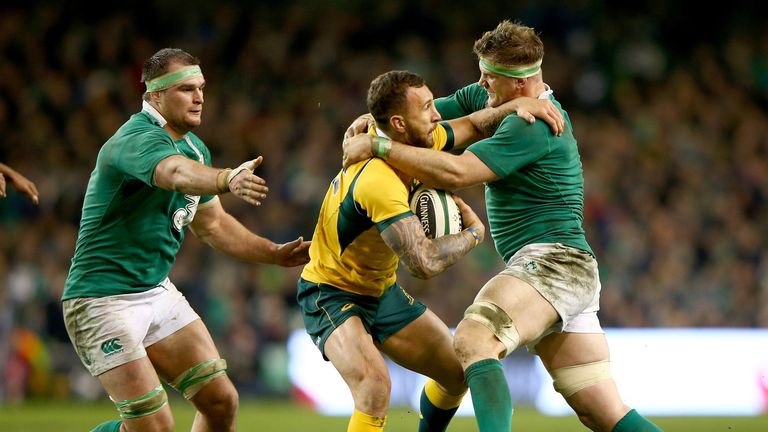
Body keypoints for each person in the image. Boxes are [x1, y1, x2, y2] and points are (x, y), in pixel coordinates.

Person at [343, 21, 663, 432]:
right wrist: (376, 119)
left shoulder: (535, 126)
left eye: (489, 77)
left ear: (521, 82)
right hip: (565, 271)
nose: (479, 83)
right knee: (602, 412)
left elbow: (457, 173)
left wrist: (379, 144)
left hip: (553, 264)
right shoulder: (495, 98)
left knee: (474, 338)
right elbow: (426, 117)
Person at [62, 48, 310, 432]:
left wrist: (274, 253)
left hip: (154, 291)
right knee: (155, 427)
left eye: (201, 88)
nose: (199, 97)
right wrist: (226, 178)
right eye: (185, 89)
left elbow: (213, 226)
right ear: (155, 96)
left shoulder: (195, 149)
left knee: (221, 401)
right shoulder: (134, 140)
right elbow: (173, 173)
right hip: (101, 299)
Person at [300, 69, 562, 432]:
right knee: (375, 387)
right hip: (330, 292)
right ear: (398, 123)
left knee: (456, 373)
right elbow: (423, 261)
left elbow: (473, 122)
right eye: (426, 108)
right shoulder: (378, 179)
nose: (436, 113)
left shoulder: (421, 142)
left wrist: (520, 103)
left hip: (380, 291)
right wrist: (473, 234)